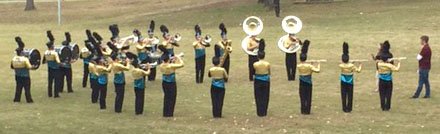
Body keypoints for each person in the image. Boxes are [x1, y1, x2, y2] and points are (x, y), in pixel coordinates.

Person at [159, 45, 184, 117]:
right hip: (171, 83)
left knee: (166, 97)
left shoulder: (161, 65)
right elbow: (182, 64)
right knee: (172, 97)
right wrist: (179, 57)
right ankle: (170, 113)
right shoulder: (171, 66)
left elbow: (169, 62)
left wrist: (172, 59)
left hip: (164, 82)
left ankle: (165, 112)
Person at [297, 40, 320, 115]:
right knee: (308, 96)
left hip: (301, 82)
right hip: (309, 82)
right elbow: (317, 70)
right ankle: (308, 110)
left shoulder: (299, 66)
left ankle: (303, 110)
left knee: (302, 96)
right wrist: (318, 64)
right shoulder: (309, 66)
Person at [377, 41, 400, 111]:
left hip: (381, 79)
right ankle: (388, 106)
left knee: (382, 94)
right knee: (388, 94)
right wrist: (398, 62)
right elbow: (395, 68)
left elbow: (377, 65)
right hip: (389, 79)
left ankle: (383, 106)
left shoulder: (379, 63)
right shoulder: (390, 58)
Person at [339, 42, 362, 113]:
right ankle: (349, 108)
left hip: (343, 81)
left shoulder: (341, 65)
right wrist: (360, 65)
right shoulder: (351, 66)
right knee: (350, 95)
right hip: (350, 81)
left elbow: (342, 63)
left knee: (343, 95)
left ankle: (344, 108)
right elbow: (358, 70)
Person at [11, 37, 35, 103]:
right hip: (25, 76)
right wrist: (33, 66)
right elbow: (29, 67)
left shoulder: (13, 59)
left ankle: (16, 99)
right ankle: (29, 100)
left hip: (17, 76)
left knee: (18, 88)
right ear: (21, 52)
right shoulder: (25, 59)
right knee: (27, 88)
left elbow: (12, 66)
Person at [252, 40, 271, 117]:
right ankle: (264, 111)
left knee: (258, 96)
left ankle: (259, 112)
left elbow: (253, 72)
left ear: (258, 56)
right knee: (265, 96)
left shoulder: (255, 64)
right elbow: (269, 72)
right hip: (266, 80)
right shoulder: (267, 64)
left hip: (257, 80)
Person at [42, 30, 62, 98]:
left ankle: (49, 93)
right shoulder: (55, 53)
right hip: (56, 68)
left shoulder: (46, 52)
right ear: (51, 46)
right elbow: (58, 62)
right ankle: (56, 94)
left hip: (49, 68)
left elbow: (44, 61)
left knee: (50, 81)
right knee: (56, 81)